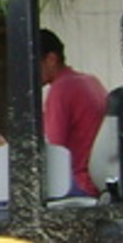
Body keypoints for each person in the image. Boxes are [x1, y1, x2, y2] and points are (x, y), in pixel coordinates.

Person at [38, 28, 107, 196]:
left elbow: (51, 152)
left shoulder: (60, 90)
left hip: (78, 184)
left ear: (51, 59)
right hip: (100, 181)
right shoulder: (90, 81)